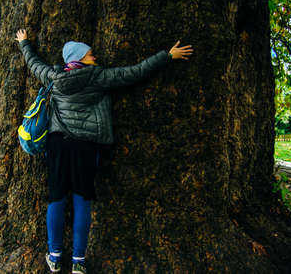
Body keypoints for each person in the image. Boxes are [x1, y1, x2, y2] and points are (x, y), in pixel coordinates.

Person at [15, 29, 193, 274]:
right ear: (79, 58)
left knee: (56, 198)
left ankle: (54, 256)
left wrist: (24, 43)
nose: (94, 57)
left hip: (57, 145)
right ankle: (78, 261)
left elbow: (33, 64)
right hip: (85, 147)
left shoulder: (53, 77)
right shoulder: (97, 76)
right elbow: (134, 72)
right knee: (81, 200)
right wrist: (167, 56)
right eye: (89, 54)